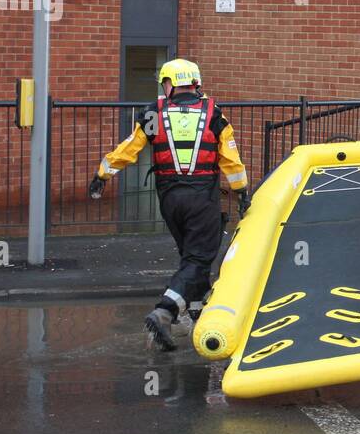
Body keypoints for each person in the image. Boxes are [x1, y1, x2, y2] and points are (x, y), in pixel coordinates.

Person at [89, 59, 249, 351]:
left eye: (164, 83)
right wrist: (242, 191)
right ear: (195, 83)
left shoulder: (154, 114)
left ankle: (199, 315)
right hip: (202, 199)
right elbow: (231, 160)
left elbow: (130, 147)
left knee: (191, 258)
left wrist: (103, 174)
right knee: (199, 259)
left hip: (170, 200)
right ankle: (166, 311)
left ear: (170, 84)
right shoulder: (214, 115)